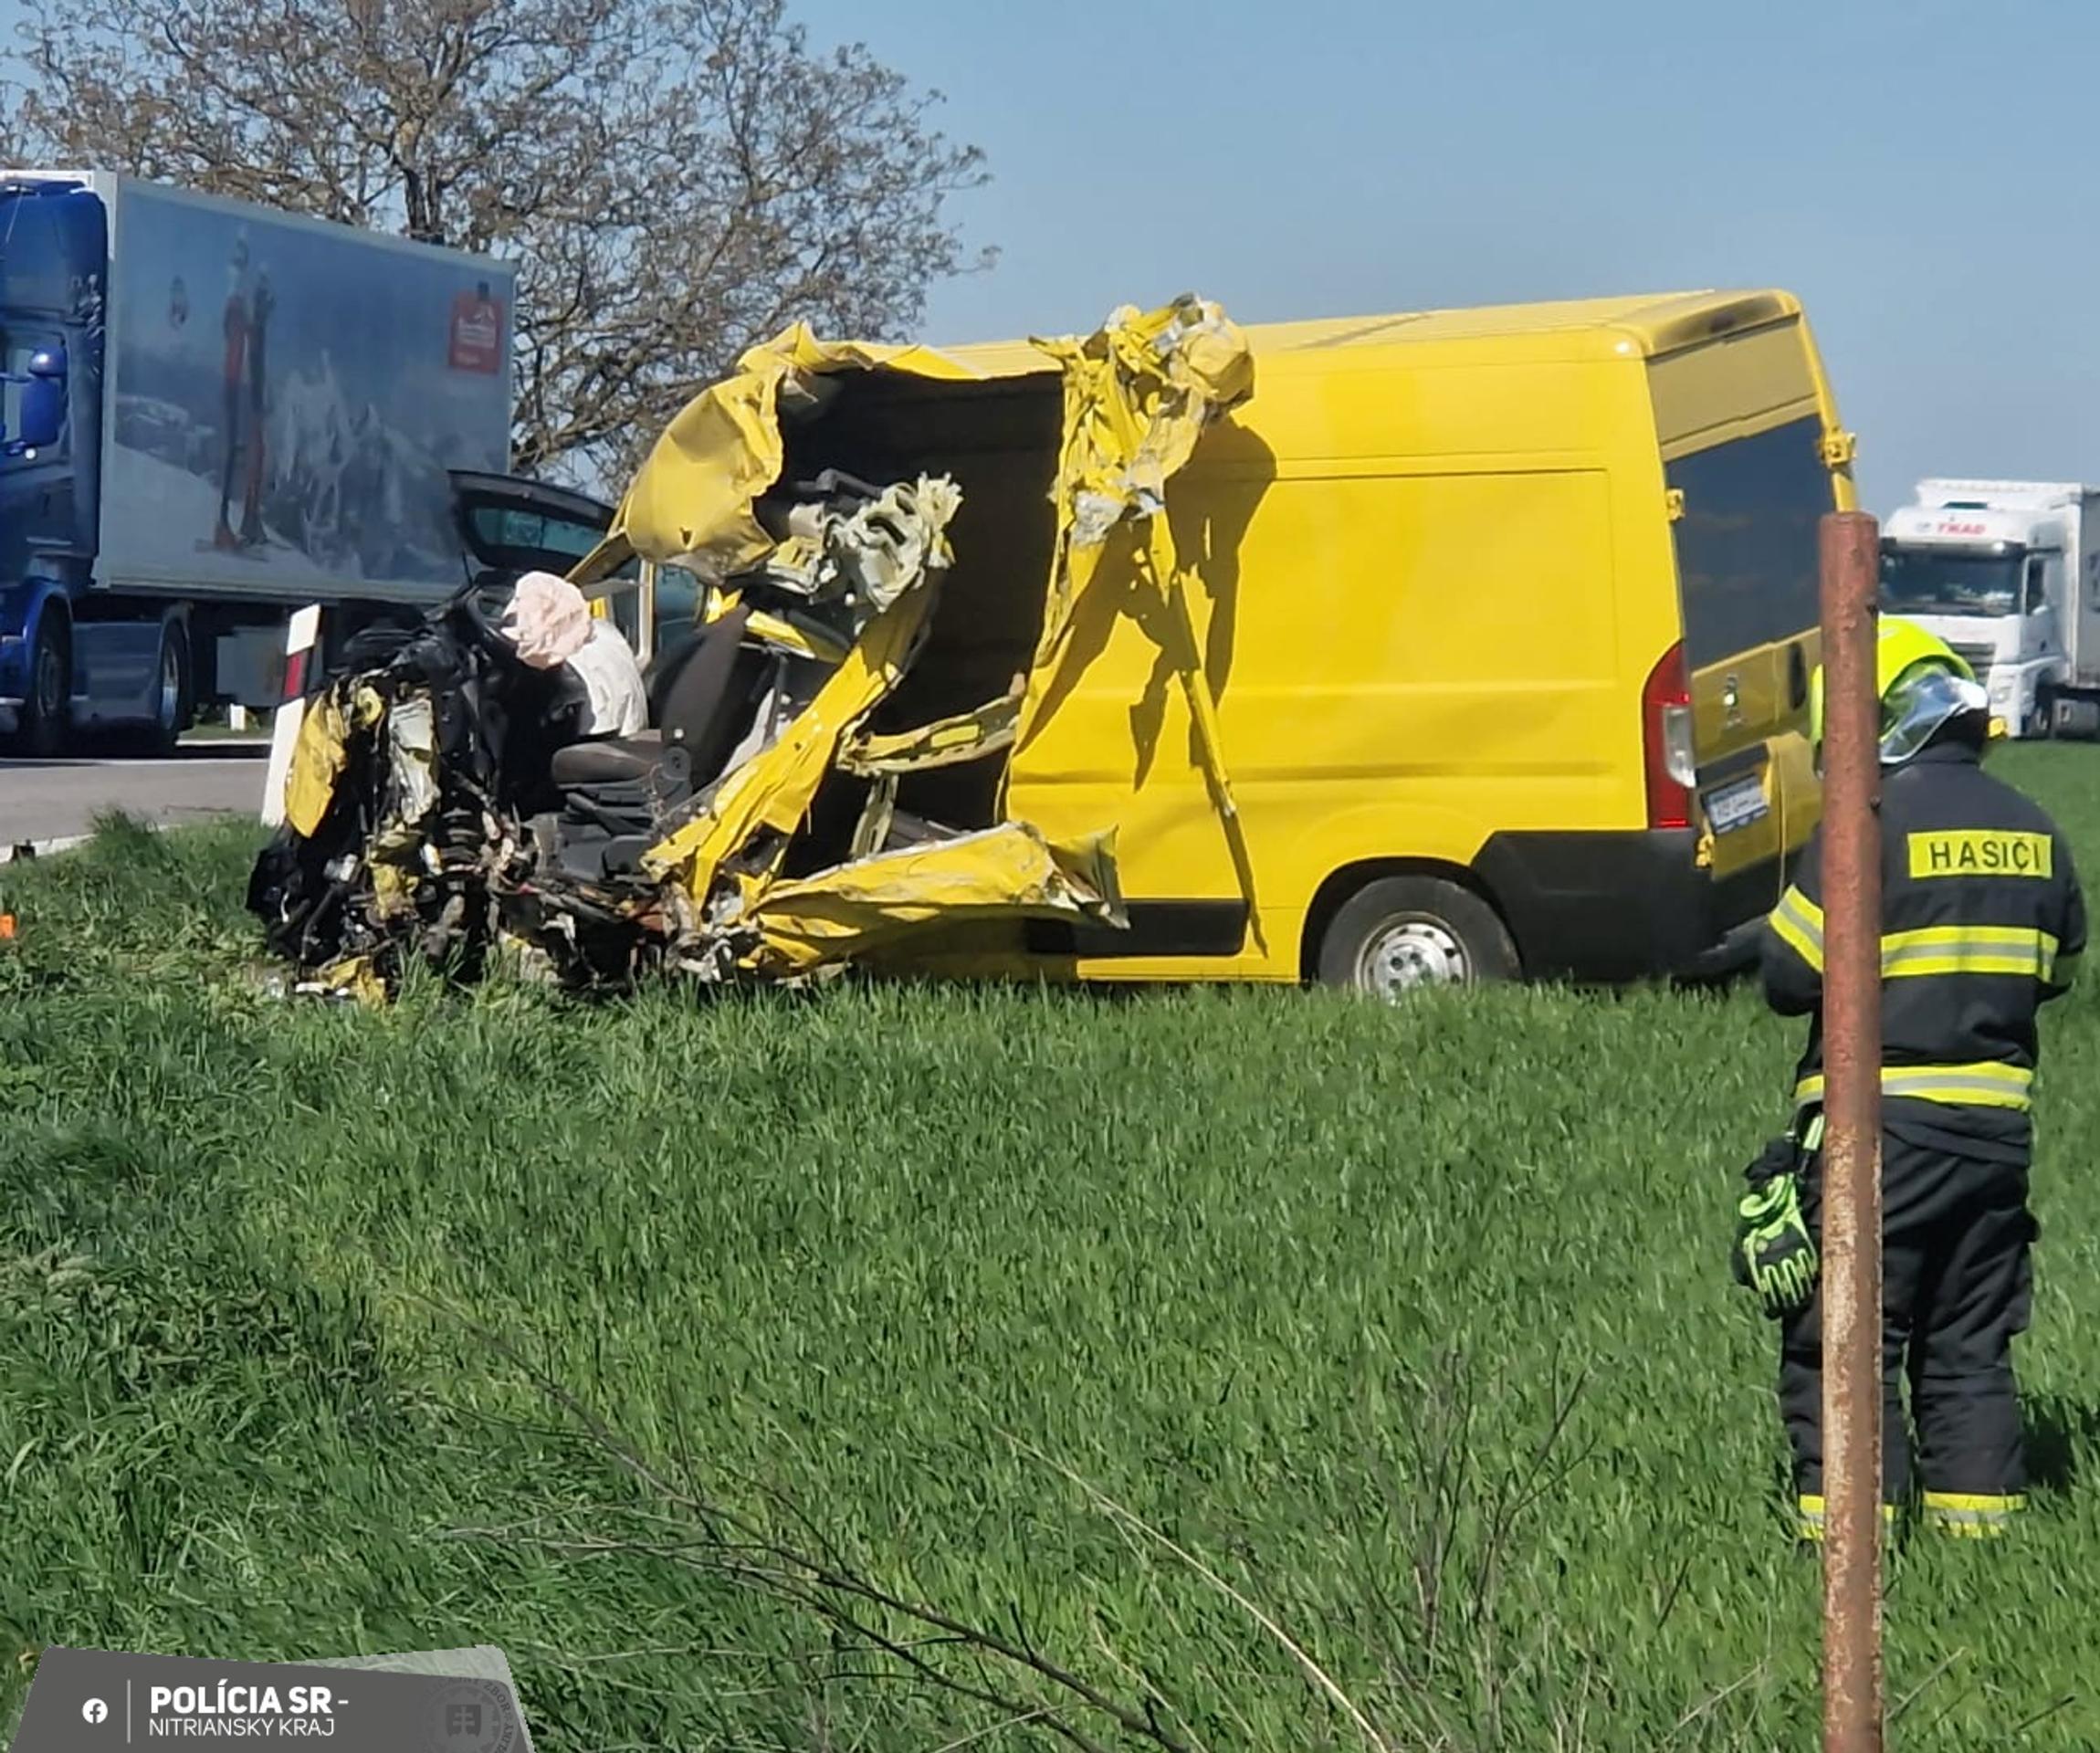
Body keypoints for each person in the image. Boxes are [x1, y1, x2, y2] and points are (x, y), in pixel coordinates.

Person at [1734, 615, 2085, 1541]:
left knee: (1843, 1347)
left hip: (1875, 1135)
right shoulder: (2038, 832)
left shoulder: (1867, 829)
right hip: (1992, 1144)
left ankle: (1843, 1551)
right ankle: (1977, 1550)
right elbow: (2055, 973)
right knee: (1966, 1347)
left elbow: (1785, 977)